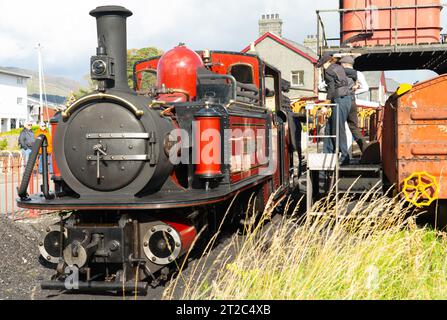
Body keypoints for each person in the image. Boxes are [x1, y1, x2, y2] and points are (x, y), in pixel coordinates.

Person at [317, 53, 352, 165]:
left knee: (338, 128)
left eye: (321, 65)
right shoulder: (338, 67)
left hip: (340, 100)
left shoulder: (329, 71)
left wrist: (325, 105)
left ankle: (345, 156)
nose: (322, 68)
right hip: (345, 99)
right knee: (330, 126)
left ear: (325, 63)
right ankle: (328, 152)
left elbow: (331, 89)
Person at [339, 55, 369, 153]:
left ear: (344, 64)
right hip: (352, 101)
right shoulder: (358, 73)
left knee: (337, 127)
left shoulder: (338, 72)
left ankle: (341, 153)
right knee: (354, 127)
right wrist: (353, 91)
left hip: (340, 101)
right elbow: (365, 88)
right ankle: (365, 150)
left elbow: (322, 86)